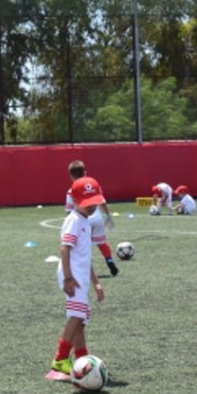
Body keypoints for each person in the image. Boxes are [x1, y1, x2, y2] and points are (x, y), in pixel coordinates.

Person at [50, 176, 106, 376]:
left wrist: (97, 283)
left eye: (94, 203)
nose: (91, 207)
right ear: (74, 201)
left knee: (80, 319)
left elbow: (86, 256)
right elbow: (64, 249)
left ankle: (82, 359)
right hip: (72, 276)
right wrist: (67, 278)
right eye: (86, 203)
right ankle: (60, 359)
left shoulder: (85, 221)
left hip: (79, 276)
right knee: (76, 316)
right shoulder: (74, 220)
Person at [65, 160, 118, 276]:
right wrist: (108, 215)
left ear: (70, 176)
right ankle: (110, 262)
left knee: (81, 246)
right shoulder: (94, 185)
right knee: (102, 242)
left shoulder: (71, 190)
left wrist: (68, 225)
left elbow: (69, 211)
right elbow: (102, 202)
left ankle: (83, 270)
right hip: (97, 218)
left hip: (83, 220)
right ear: (85, 172)